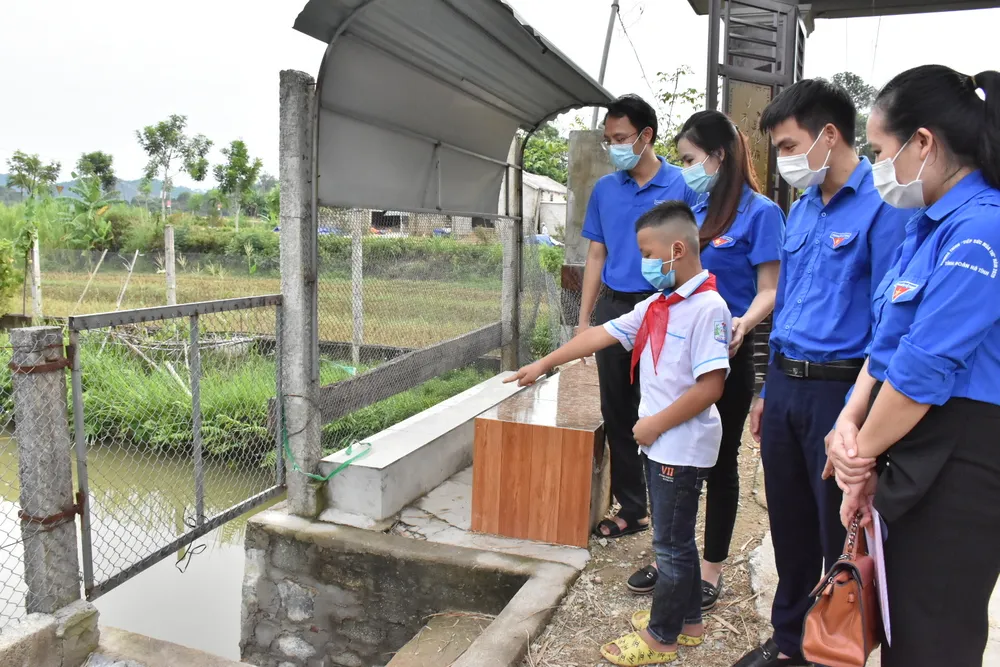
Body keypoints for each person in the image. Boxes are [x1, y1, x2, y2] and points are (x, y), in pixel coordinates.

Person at [826, 65, 1000, 667]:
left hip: (961, 455)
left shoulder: (981, 232)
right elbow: (889, 346)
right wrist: (850, 422)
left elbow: (925, 370)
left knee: (935, 637)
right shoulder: (926, 228)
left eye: (880, 151)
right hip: (910, 440)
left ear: (923, 143)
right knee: (900, 624)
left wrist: (859, 456)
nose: (880, 170)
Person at [733, 79, 910, 667]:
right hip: (785, 384)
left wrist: (863, 417)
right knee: (787, 523)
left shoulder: (885, 208)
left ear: (829, 135)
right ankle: (790, 643)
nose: (783, 162)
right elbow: (785, 305)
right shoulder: (802, 208)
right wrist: (764, 388)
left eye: (788, 145)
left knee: (841, 532)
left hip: (841, 391)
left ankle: (831, 650)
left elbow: (891, 323)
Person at [508, 201, 730, 665]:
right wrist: (543, 364)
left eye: (648, 252)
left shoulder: (709, 309)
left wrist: (652, 424)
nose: (644, 264)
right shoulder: (657, 305)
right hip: (662, 442)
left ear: (676, 249)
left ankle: (661, 637)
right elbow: (600, 335)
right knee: (677, 539)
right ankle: (689, 622)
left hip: (679, 446)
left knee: (669, 548)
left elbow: (711, 386)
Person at [626, 111, 784, 611]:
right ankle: (673, 557)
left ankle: (709, 569)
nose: (684, 167)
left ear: (719, 156)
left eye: (690, 158)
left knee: (716, 463)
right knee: (665, 453)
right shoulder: (689, 209)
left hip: (725, 352)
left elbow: (770, 289)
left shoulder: (761, 213)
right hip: (671, 351)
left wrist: (742, 323)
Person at [579, 94, 700, 539]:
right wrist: (584, 319)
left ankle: (671, 503)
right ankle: (633, 508)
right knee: (617, 408)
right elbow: (596, 254)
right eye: (608, 139)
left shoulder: (682, 185)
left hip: (665, 308)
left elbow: (696, 253)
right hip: (615, 305)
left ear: (646, 136)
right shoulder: (605, 190)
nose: (614, 146)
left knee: (663, 404)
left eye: (621, 138)